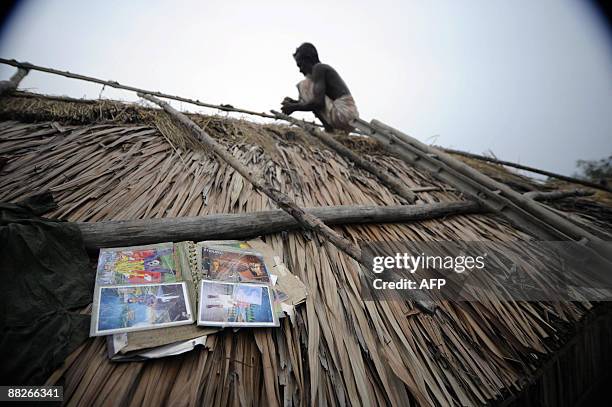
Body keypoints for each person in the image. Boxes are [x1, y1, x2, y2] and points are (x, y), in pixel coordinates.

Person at [281, 43, 359, 133]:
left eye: (300, 65)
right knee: (312, 91)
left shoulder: (319, 68)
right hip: (349, 118)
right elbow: (317, 102)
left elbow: (318, 103)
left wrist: (293, 107)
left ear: (308, 59)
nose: (300, 70)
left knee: (304, 85)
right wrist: (294, 103)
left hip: (343, 114)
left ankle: (330, 129)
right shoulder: (321, 71)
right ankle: (331, 129)